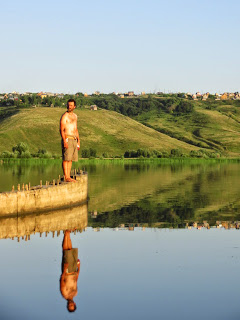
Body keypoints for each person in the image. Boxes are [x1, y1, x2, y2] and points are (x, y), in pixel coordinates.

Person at [60, 99, 80, 182]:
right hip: (67, 138)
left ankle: (68, 176)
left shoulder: (75, 116)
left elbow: (76, 129)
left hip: (74, 138)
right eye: (68, 105)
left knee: (70, 158)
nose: (69, 106)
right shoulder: (65, 116)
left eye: (71, 105)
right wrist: (64, 141)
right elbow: (61, 130)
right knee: (66, 158)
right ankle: (66, 177)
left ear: (74, 106)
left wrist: (79, 141)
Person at [60, 230, 80, 313]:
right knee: (71, 251)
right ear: (74, 304)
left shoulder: (64, 294)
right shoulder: (75, 293)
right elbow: (76, 280)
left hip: (67, 271)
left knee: (65, 251)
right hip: (74, 270)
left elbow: (62, 281)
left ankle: (66, 234)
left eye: (69, 306)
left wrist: (64, 270)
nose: (70, 304)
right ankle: (68, 233)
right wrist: (79, 267)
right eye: (71, 306)